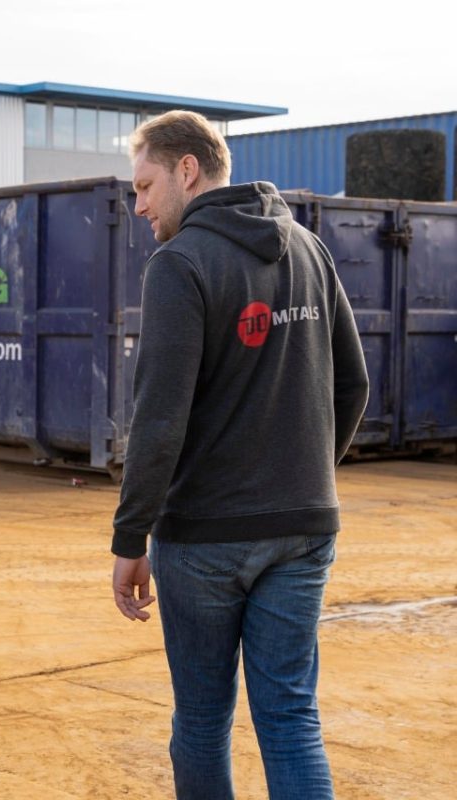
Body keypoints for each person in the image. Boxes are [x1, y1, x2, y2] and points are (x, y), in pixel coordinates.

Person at [110, 110, 369, 800]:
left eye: (144, 186)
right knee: (290, 718)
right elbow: (355, 383)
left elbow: (158, 420)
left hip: (205, 537)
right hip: (305, 527)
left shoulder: (181, 263)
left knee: (201, 719)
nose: (138, 206)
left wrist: (129, 536)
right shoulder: (310, 250)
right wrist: (306, 477)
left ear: (186, 170)